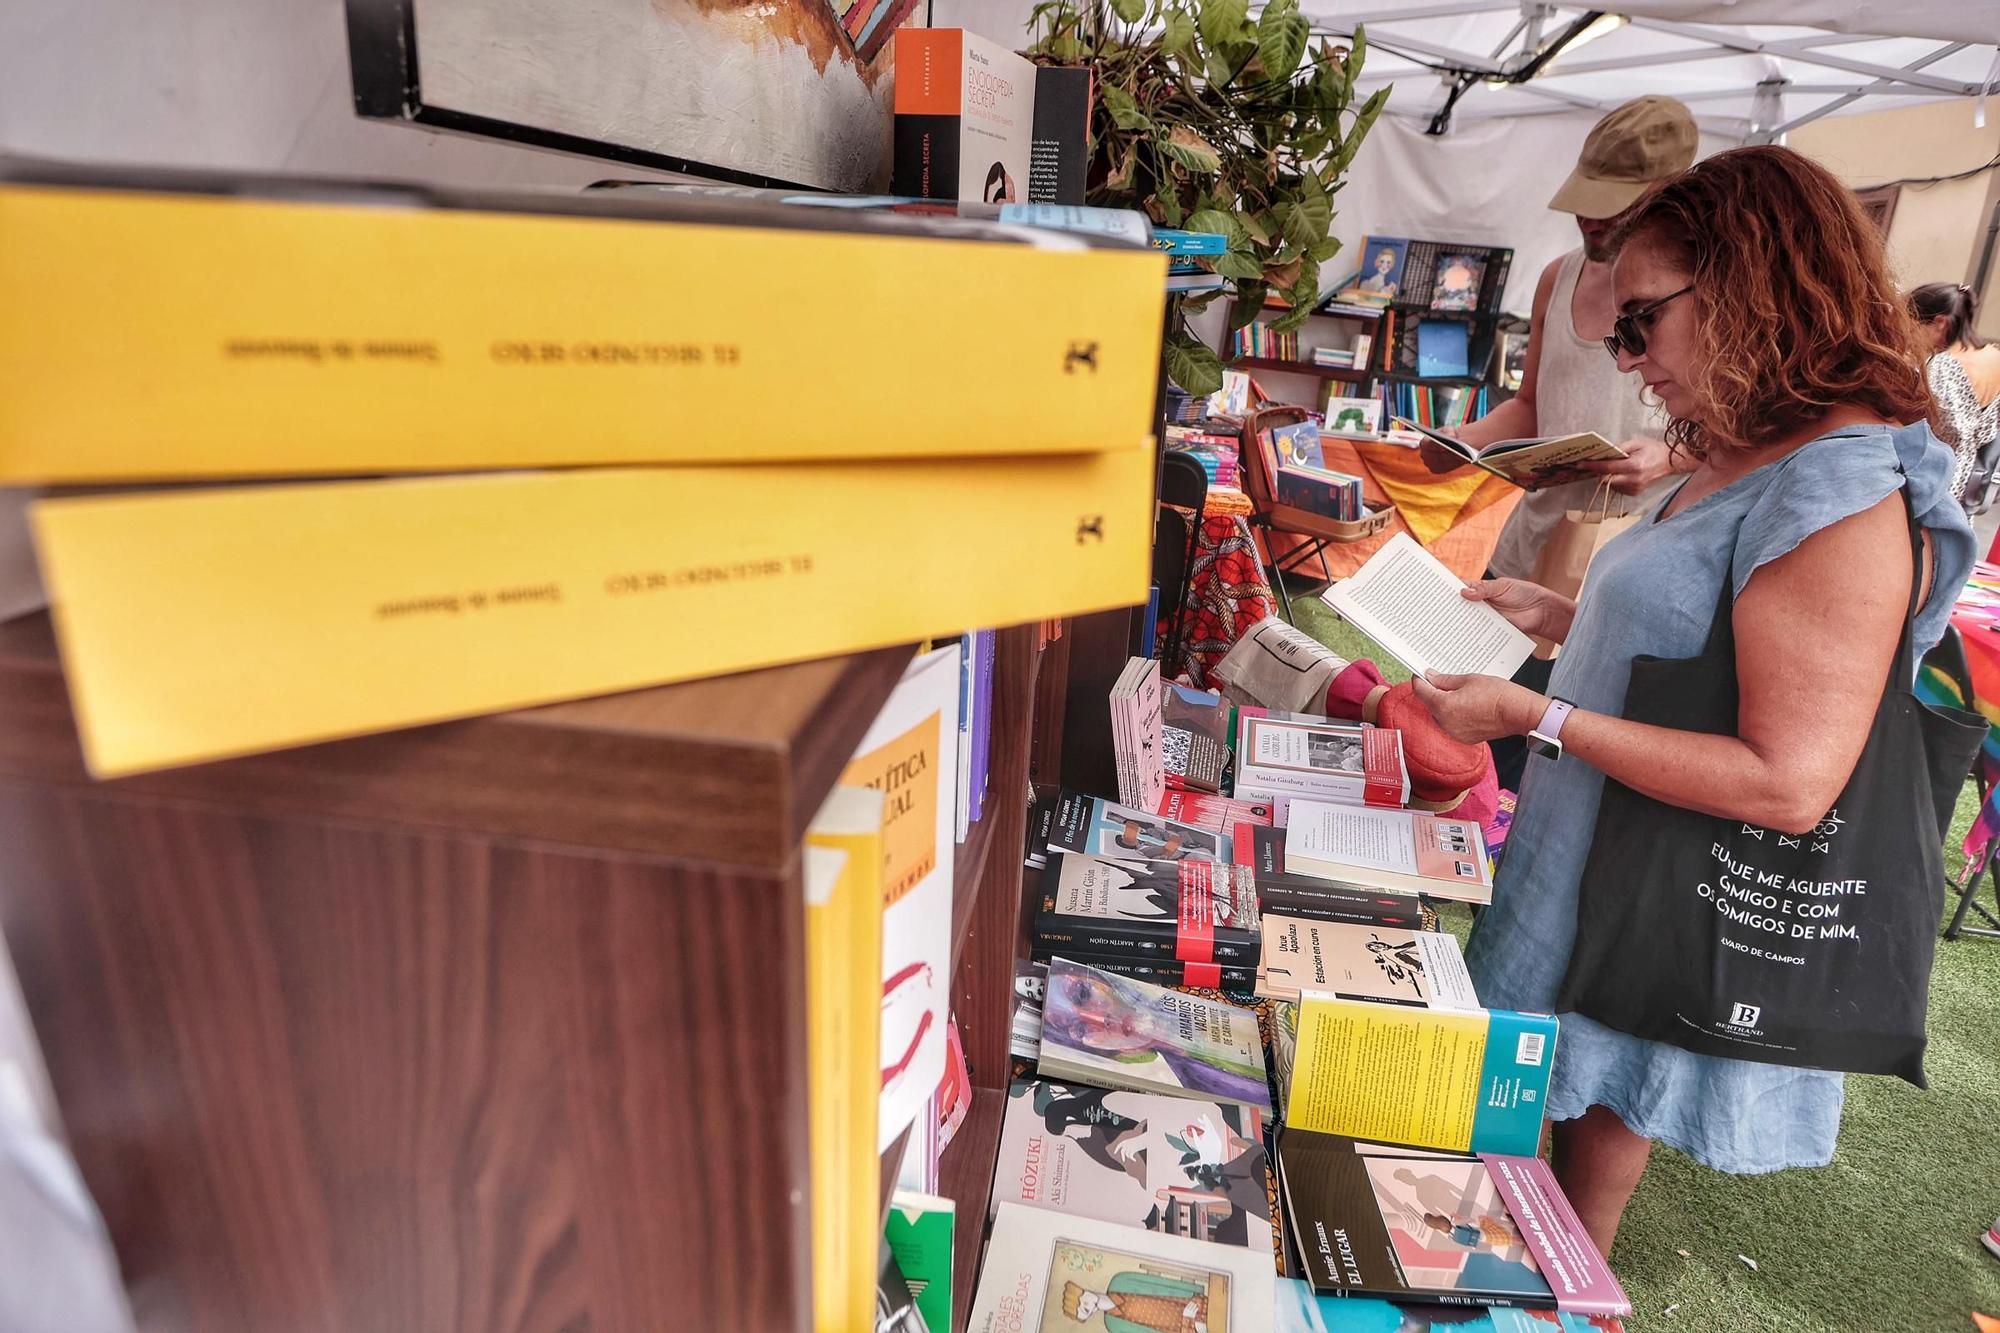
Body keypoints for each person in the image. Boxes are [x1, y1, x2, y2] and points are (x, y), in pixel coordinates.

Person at [1411, 145, 1974, 1254]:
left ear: (1745, 287)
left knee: (1565, 1222)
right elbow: (1713, 653)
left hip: (1655, 893)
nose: (1626, 361)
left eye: (1637, 325)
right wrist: (1565, 619)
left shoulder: (1841, 486)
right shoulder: (1754, 442)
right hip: (1602, 866)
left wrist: (1537, 717)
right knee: (1510, 1193)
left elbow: (1787, 781)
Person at [1418, 97, 1699, 790]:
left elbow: (1749, 430)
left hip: (1631, 554)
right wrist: (1460, 441)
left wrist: (1667, 457)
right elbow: (1531, 404)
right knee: (1481, 745)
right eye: (1584, 201)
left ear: (1673, 194)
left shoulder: (1708, 288)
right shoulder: (1559, 275)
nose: (1591, 219)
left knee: (1571, 754)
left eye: (1613, 204)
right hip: (1533, 544)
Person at [1910, 282, 2000, 506]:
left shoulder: (1943, 366)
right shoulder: (1993, 355)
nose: (1909, 337)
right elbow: (1987, 430)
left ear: (1939, 323)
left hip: (1933, 476)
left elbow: (1928, 425)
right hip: (1968, 476)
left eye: (1911, 327)